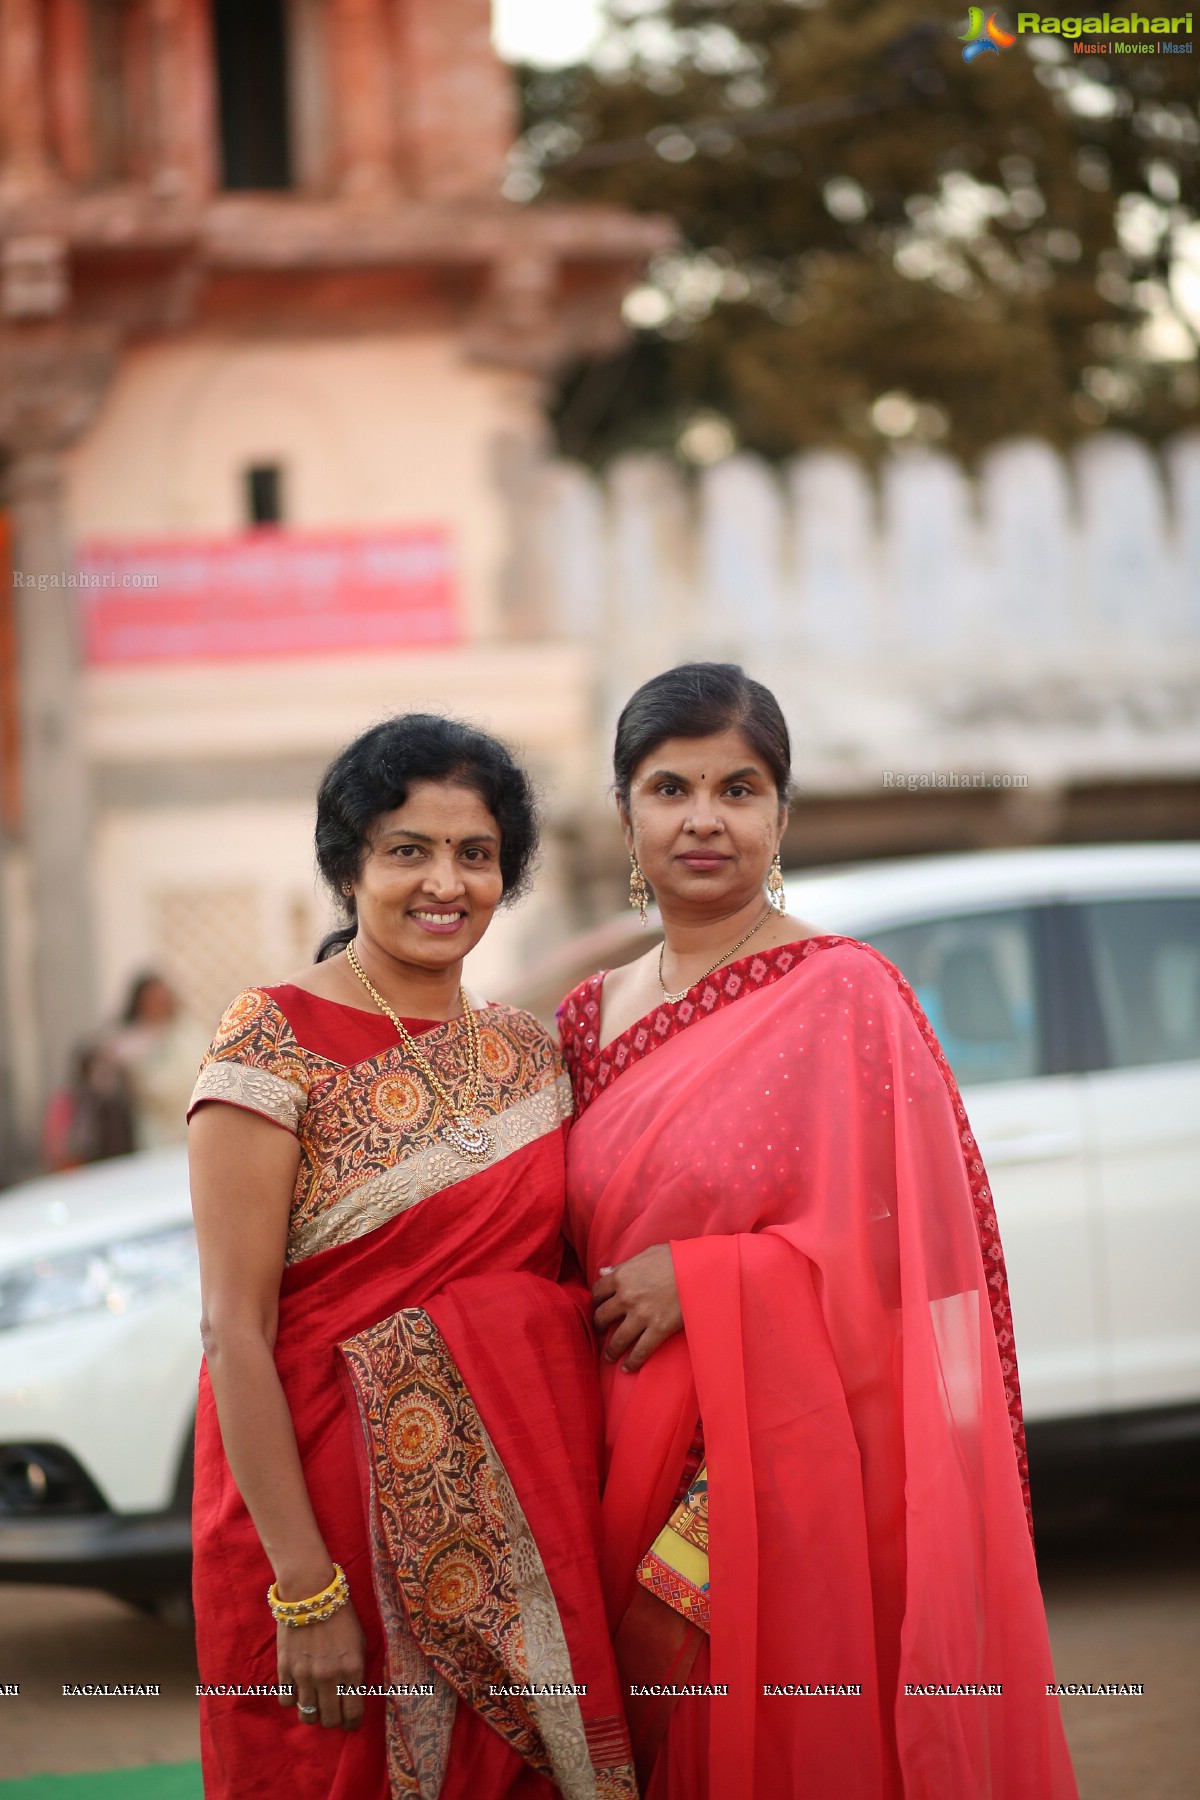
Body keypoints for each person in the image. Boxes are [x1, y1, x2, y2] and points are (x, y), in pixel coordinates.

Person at [558, 663, 1078, 1800]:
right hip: (613, 1463)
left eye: (740, 789)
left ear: (782, 816)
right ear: (625, 814)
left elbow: (921, 1270)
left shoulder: (847, 995)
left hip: (784, 1479)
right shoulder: (582, 1020)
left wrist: (712, 1277)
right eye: (670, 787)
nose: (705, 817)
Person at [188, 715, 636, 1800]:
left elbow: (556, 1291)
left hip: (521, 1538)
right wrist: (304, 1588)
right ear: (349, 866)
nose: (445, 882)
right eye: (408, 851)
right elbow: (232, 1331)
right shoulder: (273, 1038)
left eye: (475, 854)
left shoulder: (532, 1056)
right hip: (319, 1538)